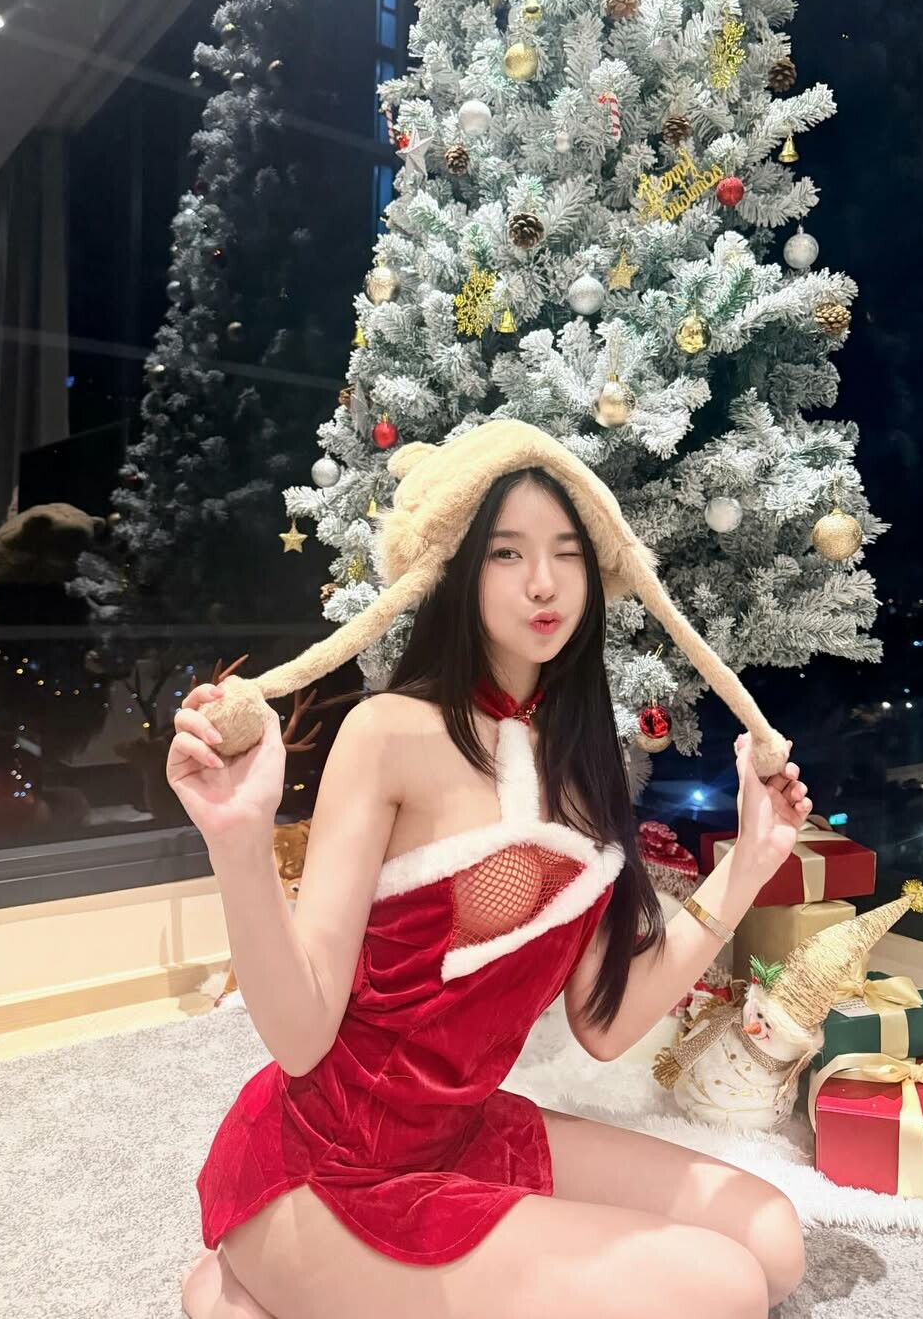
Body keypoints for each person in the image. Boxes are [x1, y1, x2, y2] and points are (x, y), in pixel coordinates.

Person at [169, 464, 813, 1319]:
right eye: (507, 552)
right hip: (330, 1167)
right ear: (458, 568)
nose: (544, 582)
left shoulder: (583, 758)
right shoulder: (386, 732)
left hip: (462, 1132)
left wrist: (749, 862)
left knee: (774, 1241)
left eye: (566, 553)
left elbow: (607, 1024)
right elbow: (299, 1036)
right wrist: (239, 842)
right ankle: (254, 1276)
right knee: (723, 1287)